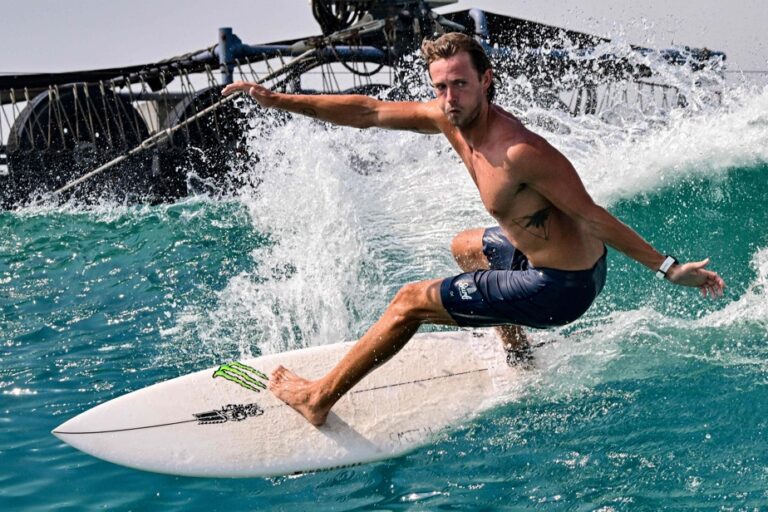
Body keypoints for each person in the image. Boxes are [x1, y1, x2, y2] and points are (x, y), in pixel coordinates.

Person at [221, 32, 726, 427]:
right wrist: (281, 100)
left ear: (486, 80)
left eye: (460, 84)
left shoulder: (519, 151)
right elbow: (370, 111)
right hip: (546, 262)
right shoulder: (448, 118)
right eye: (439, 86)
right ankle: (518, 354)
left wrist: (669, 268)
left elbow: (593, 215)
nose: (448, 97)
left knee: (409, 302)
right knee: (465, 246)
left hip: (563, 288)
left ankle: (316, 399)